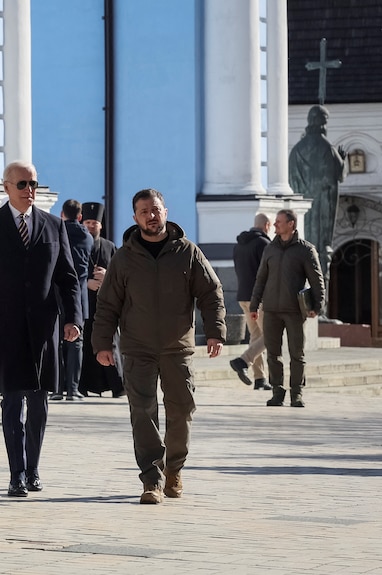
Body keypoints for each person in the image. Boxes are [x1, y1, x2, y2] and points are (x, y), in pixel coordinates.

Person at [92, 188, 225, 505]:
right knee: (143, 414)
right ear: (135, 217)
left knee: (181, 410)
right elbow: (108, 304)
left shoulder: (187, 253)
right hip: (137, 349)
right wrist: (102, 343)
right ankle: (151, 480)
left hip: (177, 348)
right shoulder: (124, 258)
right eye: (144, 212)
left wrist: (216, 331)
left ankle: (175, 470)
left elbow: (211, 292)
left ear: (166, 211)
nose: (151, 216)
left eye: (155, 209)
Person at [0, 161, 82, 498]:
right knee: (12, 402)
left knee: (40, 402)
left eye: (34, 184)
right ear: (6, 187)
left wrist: (73, 319)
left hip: (44, 329)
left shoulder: (53, 225)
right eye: (22, 184)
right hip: (4, 329)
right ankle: (15, 473)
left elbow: (69, 279)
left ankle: (33, 469)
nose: (29, 190)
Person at [249, 209, 325, 408]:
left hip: (294, 310)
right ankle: (277, 392)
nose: (275, 225)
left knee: (296, 354)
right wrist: (255, 304)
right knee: (273, 354)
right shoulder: (270, 249)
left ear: (291, 224)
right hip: (271, 309)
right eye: (274, 223)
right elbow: (261, 278)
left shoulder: (305, 250)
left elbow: (316, 280)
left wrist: (318, 305)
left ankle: (297, 394)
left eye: (279, 222)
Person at [288, 105, 347, 286]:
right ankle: (320, 300)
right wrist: (343, 160)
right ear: (321, 123)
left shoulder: (297, 149)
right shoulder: (327, 147)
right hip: (323, 206)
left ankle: (306, 292)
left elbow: (291, 179)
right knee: (322, 247)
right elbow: (339, 175)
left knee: (304, 244)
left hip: (302, 204)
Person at [77, 201, 124, 398]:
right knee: (86, 345)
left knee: (110, 343)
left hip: (105, 305)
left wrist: (107, 277)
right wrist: (86, 282)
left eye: (94, 223)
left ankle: (117, 385)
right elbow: (70, 272)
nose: (90, 226)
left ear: (100, 225)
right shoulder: (76, 244)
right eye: (87, 222)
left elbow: (120, 273)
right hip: (85, 303)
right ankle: (84, 385)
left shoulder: (109, 246)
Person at [51, 199, 94, 401]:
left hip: (58, 293)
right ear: (80, 216)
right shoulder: (88, 237)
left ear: (62, 214)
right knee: (77, 343)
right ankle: (73, 389)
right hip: (81, 297)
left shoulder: (56, 231)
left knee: (57, 342)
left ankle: (57, 388)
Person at [229, 213, 273, 391]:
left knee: (256, 336)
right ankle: (243, 360)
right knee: (271, 335)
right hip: (259, 298)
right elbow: (269, 271)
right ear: (267, 225)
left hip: (243, 296)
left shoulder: (239, 245)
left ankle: (260, 378)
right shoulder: (264, 244)